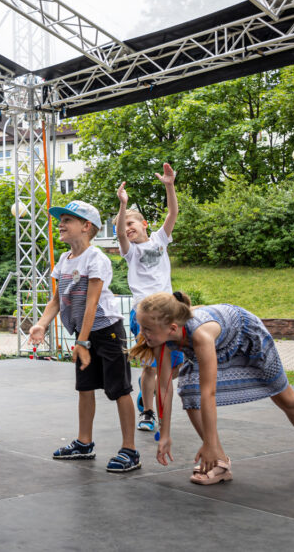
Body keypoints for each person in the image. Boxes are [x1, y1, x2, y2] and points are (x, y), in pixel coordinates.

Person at [131, 292, 294, 486]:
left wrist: (206, 443)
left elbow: (209, 392)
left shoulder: (200, 334)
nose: (143, 334)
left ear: (171, 328)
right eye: (142, 327)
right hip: (218, 344)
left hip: (247, 336)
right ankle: (218, 461)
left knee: (285, 397)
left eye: (147, 329)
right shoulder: (162, 340)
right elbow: (164, 387)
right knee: (189, 391)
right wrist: (166, 433)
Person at [29, 200, 140, 473]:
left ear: (86, 226)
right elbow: (57, 300)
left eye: (68, 220)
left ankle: (130, 450)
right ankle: (84, 443)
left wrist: (81, 342)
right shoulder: (65, 261)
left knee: (119, 389)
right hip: (85, 334)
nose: (61, 224)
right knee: (85, 387)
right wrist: (42, 324)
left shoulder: (96, 258)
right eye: (61, 220)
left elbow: (91, 304)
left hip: (107, 331)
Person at [115, 163, 182, 432]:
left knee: (173, 366)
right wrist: (122, 206)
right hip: (143, 311)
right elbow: (119, 233)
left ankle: (147, 393)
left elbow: (173, 212)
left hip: (168, 311)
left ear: (143, 224)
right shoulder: (129, 251)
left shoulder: (159, 240)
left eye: (131, 223)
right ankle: (148, 412)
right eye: (124, 225)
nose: (127, 228)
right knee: (152, 366)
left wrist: (169, 185)